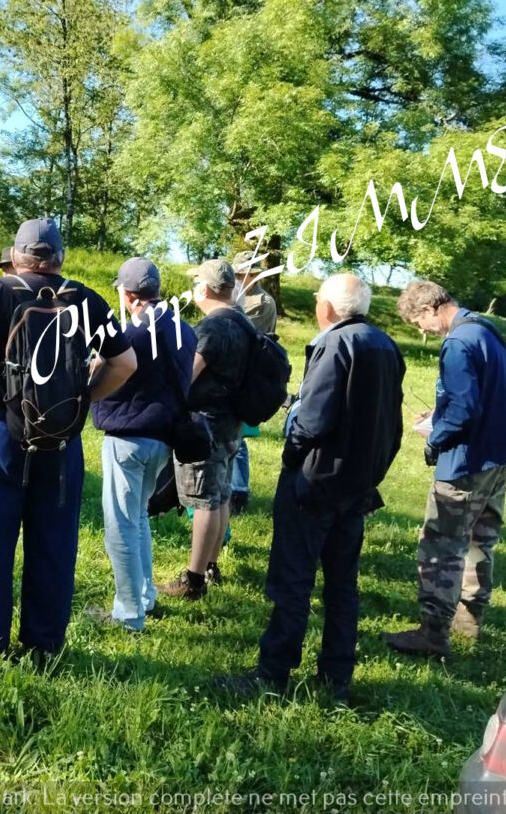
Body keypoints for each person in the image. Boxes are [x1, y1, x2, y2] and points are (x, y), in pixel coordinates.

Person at [0, 218, 137, 656]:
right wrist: (82, 400)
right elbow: (125, 365)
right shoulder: (85, 299)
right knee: (53, 543)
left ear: (15, 255)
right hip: (60, 441)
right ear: (60, 258)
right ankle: (44, 646)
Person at [218, 274, 404, 702]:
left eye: (320, 298)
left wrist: (291, 452)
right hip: (356, 483)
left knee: (292, 581)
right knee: (342, 585)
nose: (317, 303)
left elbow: (313, 419)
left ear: (329, 308)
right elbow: (390, 426)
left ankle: (273, 674)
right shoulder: (384, 344)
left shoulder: (335, 344)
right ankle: (336, 676)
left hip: (316, 481)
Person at [382, 281, 506, 657]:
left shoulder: (458, 343)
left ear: (432, 308)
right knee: (481, 539)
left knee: (442, 543)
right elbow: (480, 395)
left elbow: (464, 410)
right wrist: (438, 415)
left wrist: (435, 437)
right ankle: (468, 622)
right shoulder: (485, 331)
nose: (421, 331)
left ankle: (433, 633)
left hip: (467, 460)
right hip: (497, 454)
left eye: (419, 321)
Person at [89, 258, 197, 630]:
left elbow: (103, 371)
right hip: (163, 440)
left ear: (129, 295)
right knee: (138, 519)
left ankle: (128, 613)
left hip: (127, 437)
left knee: (120, 525)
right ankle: (145, 596)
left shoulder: (129, 332)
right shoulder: (185, 329)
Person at [157, 259, 250, 600]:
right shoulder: (241, 322)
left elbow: (187, 375)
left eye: (197, 283)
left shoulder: (212, 328)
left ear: (206, 289)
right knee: (221, 493)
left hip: (205, 423)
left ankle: (193, 579)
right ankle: (211, 565)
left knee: (204, 500)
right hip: (230, 421)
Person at [229, 250, 278, 514]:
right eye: (237, 274)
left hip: (249, 371)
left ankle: (239, 491)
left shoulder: (262, 301)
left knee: (237, 438)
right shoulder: (236, 295)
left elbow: (245, 332)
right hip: (235, 370)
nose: (241, 278)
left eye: (245, 274)